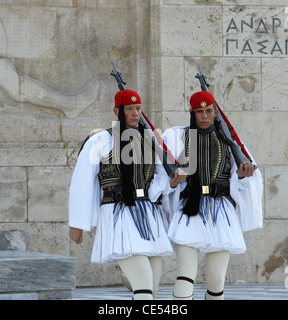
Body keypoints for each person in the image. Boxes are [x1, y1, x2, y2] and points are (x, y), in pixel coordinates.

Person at [69, 89, 185, 300]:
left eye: (138, 109)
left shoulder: (150, 141)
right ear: (117, 111)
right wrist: (77, 224)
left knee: (152, 288)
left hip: (149, 215)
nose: (135, 113)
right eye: (129, 109)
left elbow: (158, 179)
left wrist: (172, 182)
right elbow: (82, 181)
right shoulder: (101, 139)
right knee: (143, 286)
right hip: (118, 214)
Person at [162, 91, 263, 300]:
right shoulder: (176, 137)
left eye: (209, 111)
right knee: (185, 276)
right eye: (199, 112)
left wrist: (243, 176)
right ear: (192, 113)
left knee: (216, 282)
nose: (205, 116)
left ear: (216, 112)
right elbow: (160, 172)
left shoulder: (229, 140)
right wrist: (172, 182)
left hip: (220, 212)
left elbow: (244, 180)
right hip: (189, 210)